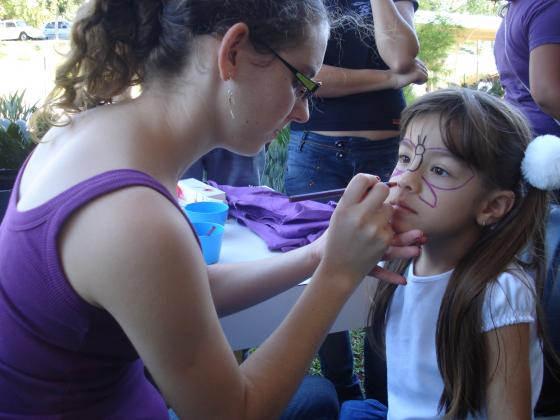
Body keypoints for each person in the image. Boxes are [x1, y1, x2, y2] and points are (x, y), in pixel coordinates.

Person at [0, 1, 425, 419]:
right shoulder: (133, 216)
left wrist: (319, 253)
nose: (302, 112)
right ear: (233, 53)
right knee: (321, 400)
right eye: (300, 83)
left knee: (317, 398)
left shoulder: (87, 133)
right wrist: (336, 274)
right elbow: (235, 412)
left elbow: (179, 287)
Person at [341, 88, 559, 419]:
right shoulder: (397, 260)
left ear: (492, 206)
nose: (406, 180)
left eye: (439, 170)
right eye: (405, 158)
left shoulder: (499, 293)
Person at [284, 0, 428, 403]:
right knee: (319, 265)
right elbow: (312, 76)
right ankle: (343, 390)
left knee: (391, 271)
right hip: (317, 151)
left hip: (386, 153)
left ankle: (381, 398)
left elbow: (401, 56)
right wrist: (389, 80)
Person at [494, 0, 560, 139]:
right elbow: (547, 94)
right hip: (551, 139)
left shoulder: (511, 15)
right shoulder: (548, 5)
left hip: (519, 132)